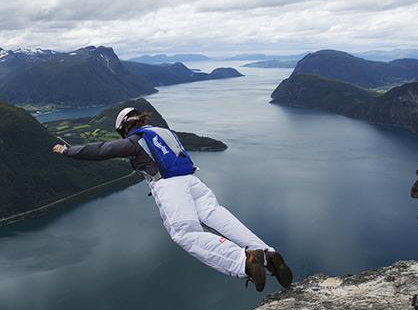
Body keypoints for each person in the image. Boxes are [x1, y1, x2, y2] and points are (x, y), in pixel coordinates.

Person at [52, 107, 293, 292]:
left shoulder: (135, 141)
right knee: (216, 216)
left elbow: (101, 150)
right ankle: (266, 252)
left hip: (169, 185)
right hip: (193, 182)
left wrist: (67, 151)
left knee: (184, 232)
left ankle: (244, 262)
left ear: (124, 128)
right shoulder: (164, 132)